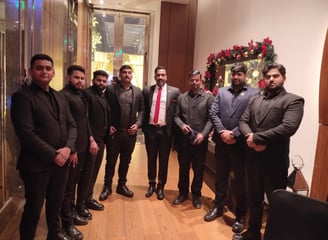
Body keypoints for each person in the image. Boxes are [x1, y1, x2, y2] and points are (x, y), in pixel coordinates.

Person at [11, 54, 77, 240]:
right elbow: (26, 133)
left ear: (54, 72)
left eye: (48, 68)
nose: (44, 71)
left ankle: (54, 234)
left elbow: (72, 125)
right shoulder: (22, 97)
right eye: (39, 68)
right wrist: (53, 154)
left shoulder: (59, 96)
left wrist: (67, 149)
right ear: (31, 71)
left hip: (61, 162)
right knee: (33, 208)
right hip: (36, 165)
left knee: (55, 204)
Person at [239, 63, 304, 240]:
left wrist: (258, 139)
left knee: (276, 203)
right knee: (254, 199)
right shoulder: (255, 100)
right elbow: (243, 121)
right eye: (268, 76)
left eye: (275, 76)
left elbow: (288, 127)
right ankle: (253, 232)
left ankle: (273, 235)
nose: (271, 79)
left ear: (283, 77)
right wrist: (250, 138)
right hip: (252, 159)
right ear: (264, 79)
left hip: (274, 163)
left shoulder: (293, 100)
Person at [204, 63, 259, 230]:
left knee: (240, 182)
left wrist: (234, 134)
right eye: (233, 74)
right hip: (222, 143)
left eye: (239, 74)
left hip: (240, 145)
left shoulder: (254, 93)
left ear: (245, 75)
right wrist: (222, 132)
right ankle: (218, 207)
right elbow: (213, 113)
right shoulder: (221, 92)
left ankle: (240, 215)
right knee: (220, 177)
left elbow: (250, 118)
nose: (236, 77)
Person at [60, 65, 98, 239]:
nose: (80, 81)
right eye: (76, 78)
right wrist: (73, 150)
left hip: (83, 146)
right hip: (73, 150)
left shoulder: (80, 95)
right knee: (68, 187)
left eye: (82, 78)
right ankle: (66, 221)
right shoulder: (64, 96)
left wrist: (90, 138)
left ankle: (73, 211)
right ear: (68, 77)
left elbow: (85, 120)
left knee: (75, 183)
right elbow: (65, 126)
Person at [99, 65, 144, 200]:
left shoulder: (137, 91)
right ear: (120, 74)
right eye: (124, 72)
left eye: (129, 72)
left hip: (129, 134)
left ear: (132, 75)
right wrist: (108, 126)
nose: (126, 75)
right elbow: (105, 109)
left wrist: (138, 124)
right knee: (111, 160)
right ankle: (107, 186)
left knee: (126, 160)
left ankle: (121, 185)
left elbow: (142, 110)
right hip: (114, 133)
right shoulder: (111, 90)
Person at [173, 70, 214, 208]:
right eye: (192, 80)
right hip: (184, 141)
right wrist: (181, 125)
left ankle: (196, 195)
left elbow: (211, 119)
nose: (194, 83)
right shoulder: (181, 98)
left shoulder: (208, 98)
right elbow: (176, 116)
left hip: (200, 141)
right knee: (183, 168)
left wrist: (204, 134)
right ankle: (183, 193)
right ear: (189, 80)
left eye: (197, 80)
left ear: (201, 81)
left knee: (198, 169)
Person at [141, 66, 180, 200]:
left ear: (166, 76)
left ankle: (161, 186)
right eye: (158, 75)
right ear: (154, 77)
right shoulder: (147, 90)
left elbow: (177, 113)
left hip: (166, 131)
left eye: (163, 75)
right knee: (151, 158)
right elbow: (144, 110)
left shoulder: (175, 92)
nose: (160, 77)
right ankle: (151, 183)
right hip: (151, 130)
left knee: (164, 160)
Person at [79, 70, 110, 219]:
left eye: (104, 81)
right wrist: (91, 139)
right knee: (87, 174)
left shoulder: (103, 96)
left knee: (94, 172)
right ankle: (80, 204)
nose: (101, 83)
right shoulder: (87, 94)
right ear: (93, 80)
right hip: (91, 141)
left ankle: (88, 198)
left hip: (101, 140)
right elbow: (85, 119)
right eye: (99, 80)